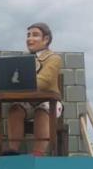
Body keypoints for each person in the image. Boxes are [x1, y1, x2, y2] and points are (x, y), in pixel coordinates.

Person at [5, 22, 63, 157]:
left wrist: (21, 84)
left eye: (35, 35)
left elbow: (45, 80)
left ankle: (38, 152)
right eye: (28, 35)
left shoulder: (53, 58)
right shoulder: (24, 59)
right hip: (29, 101)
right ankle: (13, 150)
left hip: (50, 101)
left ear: (46, 39)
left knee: (41, 111)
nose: (30, 39)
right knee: (15, 109)